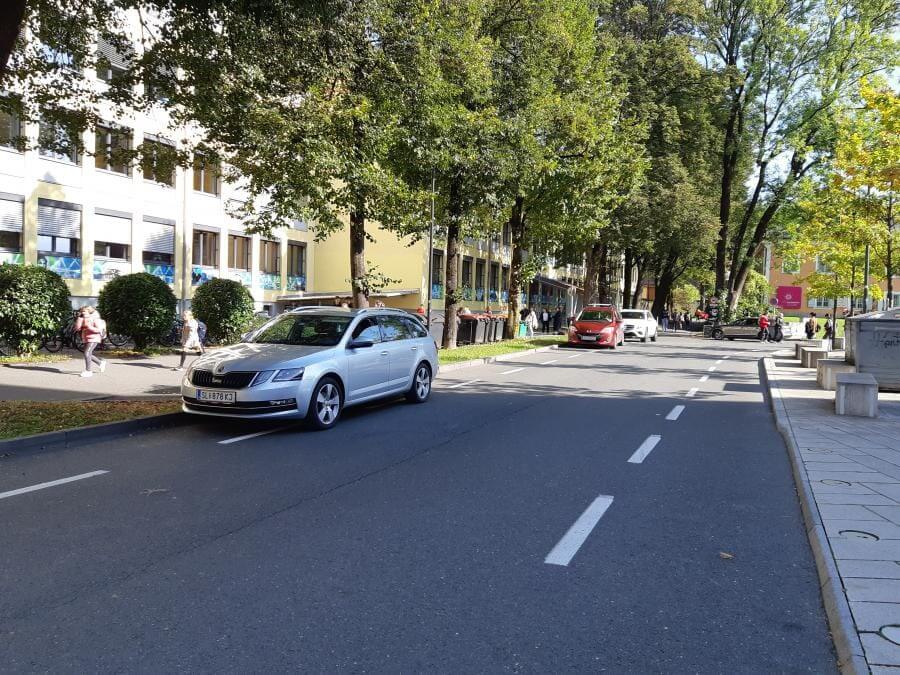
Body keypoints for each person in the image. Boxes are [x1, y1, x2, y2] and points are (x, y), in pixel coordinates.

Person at [74, 306, 107, 377]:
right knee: (87, 353)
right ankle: (100, 363)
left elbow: (99, 330)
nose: (82, 313)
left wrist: (90, 327)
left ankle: (88, 371)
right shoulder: (82, 319)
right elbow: (77, 328)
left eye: (84, 311)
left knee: (87, 353)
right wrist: (79, 319)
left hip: (94, 338)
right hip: (86, 338)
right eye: (81, 311)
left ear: (89, 312)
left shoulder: (95, 319)